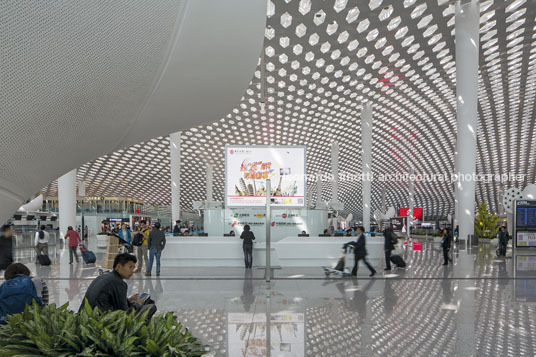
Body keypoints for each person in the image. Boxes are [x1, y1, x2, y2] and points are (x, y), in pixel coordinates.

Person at [79, 253, 150, 312]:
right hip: (100, 323)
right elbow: (125, 314)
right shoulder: (119, 283)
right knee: (150, 307)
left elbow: (111, 301)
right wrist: (138, 304)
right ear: (119, 266)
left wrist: (128, 301)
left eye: (133, 268)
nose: (132, 271)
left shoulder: (103, 277)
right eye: (130, 267)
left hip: (85, 318)